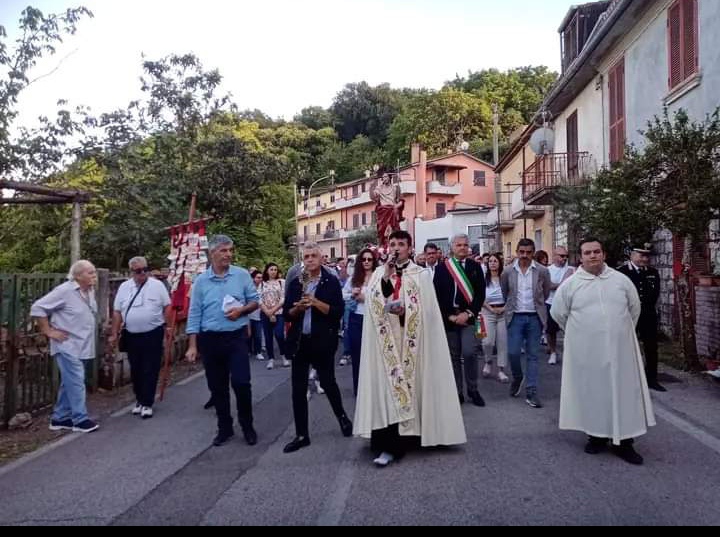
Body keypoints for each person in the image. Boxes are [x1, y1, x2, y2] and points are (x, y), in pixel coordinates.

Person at [354, 230, 466, 467]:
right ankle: (389, 445)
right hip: (387, 345)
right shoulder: (378, 273)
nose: (396, 248)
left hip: (412, 342)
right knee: (388, 390)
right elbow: (373, 302)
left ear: (409, 248)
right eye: (392, 243)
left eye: (401, 244)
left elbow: (427, 312)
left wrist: (406, 312)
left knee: (415, 387)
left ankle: (415, 435)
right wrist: (385, 278)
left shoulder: (421, 275)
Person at [551, 238, 655, 465]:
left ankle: (625, 442)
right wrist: (582, 333)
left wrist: (619, 333)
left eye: (596, 251)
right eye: (587, 253)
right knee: (593, 392)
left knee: (623, 393)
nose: (592, 256)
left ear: (604, 254)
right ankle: (596, 436)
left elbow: (633, 309)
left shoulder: (621, 280)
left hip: (621, 351)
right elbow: (559, 314)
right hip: (587, 352)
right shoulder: (570, 285)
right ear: (580, 257)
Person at [185, 235, 260, 447]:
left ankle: (247, 426)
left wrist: (242, 311)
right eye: (224, 250)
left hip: (235, 337)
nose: (228, 254)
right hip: (210, 340)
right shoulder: (200, 282)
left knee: (241, 383)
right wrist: (192, 345)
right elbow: (194, 313)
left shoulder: (242, 275)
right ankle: (225, 428)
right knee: (218, 387)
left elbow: (255, 301)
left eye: (230, 250)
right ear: (212, 253)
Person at [282, 242, 353, 453]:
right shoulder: (298, 282)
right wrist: (297, 308)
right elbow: (287, 313)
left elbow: (337, 312)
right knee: (298, 388)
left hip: (322, 341)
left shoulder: (330, 281)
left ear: (321, 258)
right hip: (300, 341)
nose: (310, 259)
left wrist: (316, 303)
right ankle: (302, 434)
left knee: (328, 382)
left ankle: (342, 417)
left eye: (314, 256)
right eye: (306, 257)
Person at [31, 260, 100, 433]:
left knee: (70, 382)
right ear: (78, 276)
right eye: (90, 273)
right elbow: (38, 307)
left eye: (94, 273)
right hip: (67, 345)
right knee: (76, 381)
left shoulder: (89, 291)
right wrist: (48, 331)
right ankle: (80, 418)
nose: (94, 276)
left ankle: (60, 417)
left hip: (83, 345)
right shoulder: (65, 291)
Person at [109, 256, 172, 419]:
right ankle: (139, 399)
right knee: (136, 369)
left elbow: (167, 306)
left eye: (146, 269)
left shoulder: (157, 286)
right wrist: (114, 333)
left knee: (150, 367)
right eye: (138, 271)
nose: (143, 273)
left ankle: (147, 402)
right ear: (132, 272)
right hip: (131, 334)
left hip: (153, 333)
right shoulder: (124, 287)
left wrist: (168, 326)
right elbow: (117, 311)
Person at [433, 233, 487, 407]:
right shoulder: (442, 268)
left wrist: (469, 313)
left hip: (469, 318)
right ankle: (457, 391)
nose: (463, 247)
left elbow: (480, 294)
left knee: (470, 353)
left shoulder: (475, 266)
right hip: (449, 318)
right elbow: (437, 295)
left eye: (465, 245)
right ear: (452, 247)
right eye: (459, 245)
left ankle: (473, 389)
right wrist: (450, 316)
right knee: (453, 356)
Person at [501, 239, 552, 409]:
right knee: (513, 353)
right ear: (517, 251)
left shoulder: (542, 271)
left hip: (534, 317)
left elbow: (544, 293)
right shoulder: (508, 271)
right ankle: (517, 377)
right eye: (521, 252)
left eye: (528, 252)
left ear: (533, 252)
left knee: (533, 355)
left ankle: (531, 391)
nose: (524, 255)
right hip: (515, 316)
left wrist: (538, 309)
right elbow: (505, 292)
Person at [617, 245, 666, 392]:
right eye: (641, 255)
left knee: (651, 347)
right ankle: (625, 379)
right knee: (626, 346)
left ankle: (652, 379)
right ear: (631, 255)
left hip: (647, 314)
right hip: (628, 314)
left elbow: (655, 293)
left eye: (646, 256)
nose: (645, 259)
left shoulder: (652, 272)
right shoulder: (621, 272)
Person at [343, 247, 378, 395]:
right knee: (357, 354)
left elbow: (384, 297)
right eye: (363, 259)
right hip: (356, 319)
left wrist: (367, 298)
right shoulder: (354, 278)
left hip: (375, 318)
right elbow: (343, 294)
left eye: (369, 259)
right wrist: (352, 293)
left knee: (374, 356)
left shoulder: (379, 276)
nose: (366, 262)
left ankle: (374, 390)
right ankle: (359, 389)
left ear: (374, 261)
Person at [481, 253, 510, 383]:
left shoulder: (505, 278)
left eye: (495, 261)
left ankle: (501, 370)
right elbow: (479, 297)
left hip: (503, 312)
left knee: (502, 342)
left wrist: (504, 308)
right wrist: (491, 309)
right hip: (488, 311)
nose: (493, 263)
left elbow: (512, 295)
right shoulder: (483, 279)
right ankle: (488, 361)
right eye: (490, 261)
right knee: (487, 341)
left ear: (500, 263)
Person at [545, 247, 575, 366]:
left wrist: (558, 285)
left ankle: (570, 353)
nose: (564, 259)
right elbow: (548, 286)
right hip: (551, 302)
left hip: (568, 304)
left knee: (570, 330)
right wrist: (563, 283)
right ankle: (552, 352)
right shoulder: (547, 270)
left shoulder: (572, 269)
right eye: (562, 256)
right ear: (555, 256)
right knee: (551, 330)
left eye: (566, 256)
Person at [259, 263, 289, 370]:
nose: (273, 271)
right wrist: (268, 312)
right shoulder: (262, 284)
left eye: (275, 269)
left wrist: (273, 311)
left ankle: (283, 355)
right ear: (267, 271)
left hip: (278, 312)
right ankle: (270, 358)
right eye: (271, 269)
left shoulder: (281, 282)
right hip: (265, 313)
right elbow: (259, 299)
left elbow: (283, 298)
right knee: (268, 337)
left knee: (279, 334)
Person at [371, 171, 404, 249]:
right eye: (383, 177)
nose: (384, 178)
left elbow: (401, 202)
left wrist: (396, 206)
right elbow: (374, 196)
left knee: (394, 229)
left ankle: (394, 243)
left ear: (389, 177)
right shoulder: (379, 188)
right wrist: (373, 186)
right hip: (383, 211)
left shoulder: (395, 188)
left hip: (392, 210)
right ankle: (383, 245)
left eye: (385, 177)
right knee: (381, 229)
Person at [248, 270, 264, 360]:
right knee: (249, 335)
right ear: (253, 278)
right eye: (258, 277)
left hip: (259, 315)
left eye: (261, 277)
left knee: (258, 335)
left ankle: (258, 352)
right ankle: (249, 350)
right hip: (249, 315)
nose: (260, 279)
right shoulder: (249, 288)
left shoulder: (263, 287)